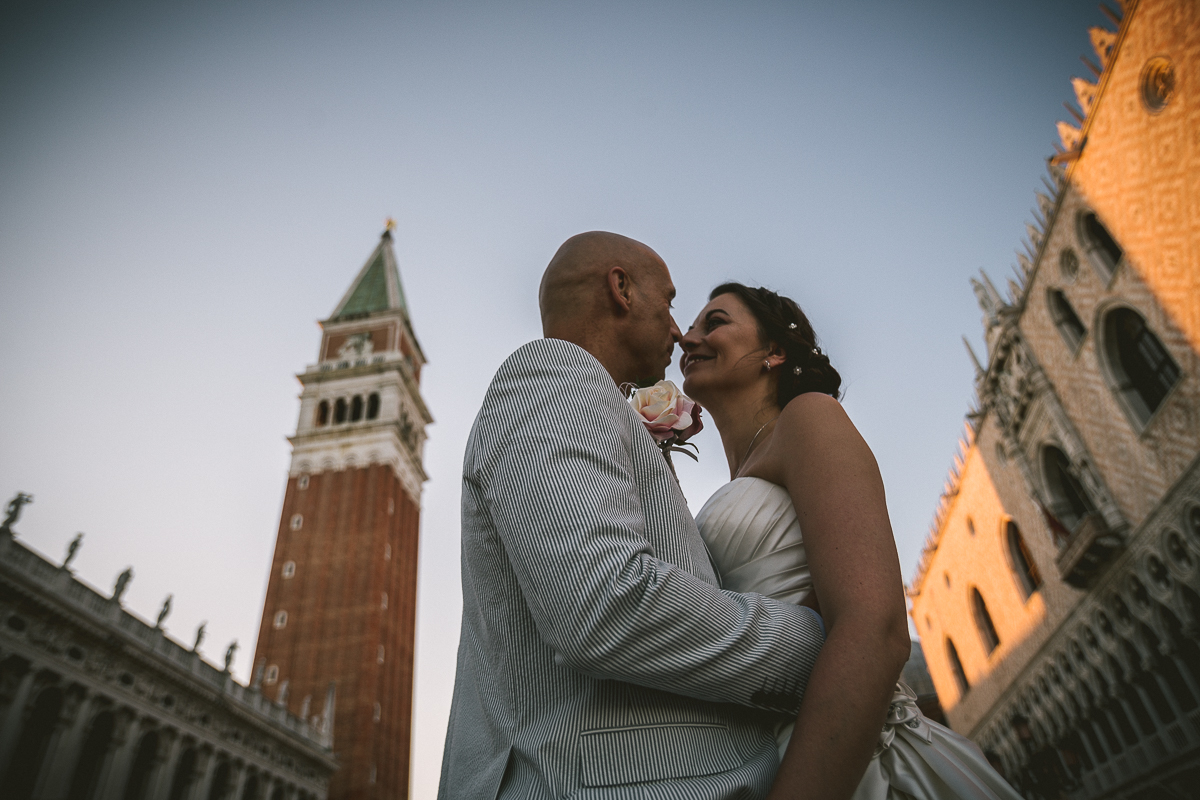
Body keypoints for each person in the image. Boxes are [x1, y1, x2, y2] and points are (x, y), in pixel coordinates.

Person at [439, 233, 827, 799]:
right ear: (620, 289)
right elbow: (605, 604)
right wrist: (812, 642)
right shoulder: (554, 375)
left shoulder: (585, 397)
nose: (678, 330)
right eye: (669, 303)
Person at [681, 283, 1024, 800]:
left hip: (855, 766)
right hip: (757, 755)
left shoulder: (808, 418)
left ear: (774, 352)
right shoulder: (738, 474)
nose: (688, 337)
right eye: (691, 325)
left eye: (715, 322)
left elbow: (875, 625)